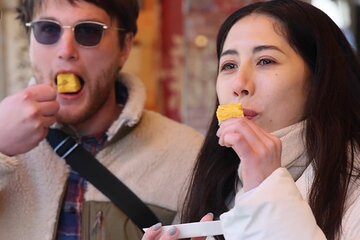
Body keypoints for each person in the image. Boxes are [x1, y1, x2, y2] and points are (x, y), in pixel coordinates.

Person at [143, 0, 360, 239]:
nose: (239, 85)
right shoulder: (214, 184)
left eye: (265, 61)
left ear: (319, 77)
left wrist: (267, 189)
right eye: (229, 65)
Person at [0, 0, 203, 239]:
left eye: (88, 31)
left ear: (124, 48)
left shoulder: (189, 156)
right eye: (48, 29)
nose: (66, 50)